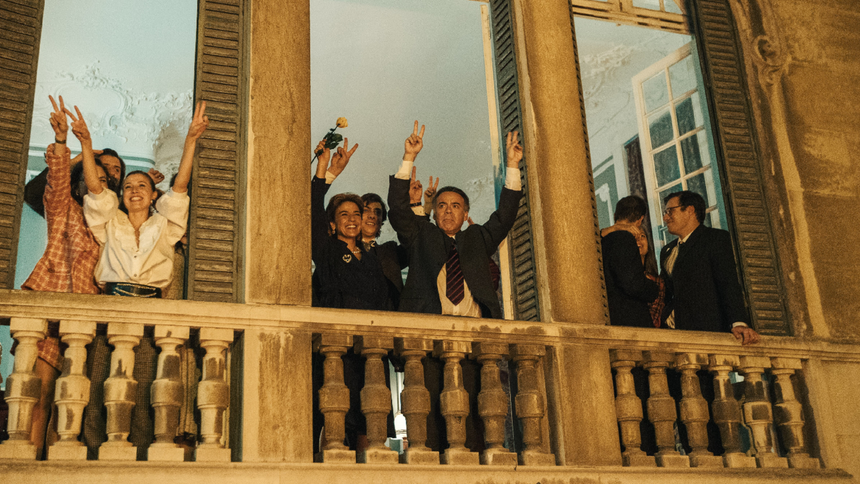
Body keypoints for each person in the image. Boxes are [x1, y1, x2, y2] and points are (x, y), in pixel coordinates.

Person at [18, 95, 109, 459]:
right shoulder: (65, 210)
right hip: (47, 317)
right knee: (37, 399)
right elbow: (55, 182)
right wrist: (61, 141)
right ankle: (27, 468)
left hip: (83, 325)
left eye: (103, 179)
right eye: (89, 176)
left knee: (68, 408)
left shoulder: (110, 229)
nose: (94, 181)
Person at [387, 121, 523, 318]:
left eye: (456, 206)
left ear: (466, 215)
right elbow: (398, 209)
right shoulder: (421, 235)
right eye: (442, 206)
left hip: (475, 328)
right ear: (434, 214)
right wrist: (409, 157)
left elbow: (505, 216)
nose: (448, 211)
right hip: (428, 326)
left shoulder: (478, 239)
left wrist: (512, 165)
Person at [78, 101, 207, 297]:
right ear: (122, 195)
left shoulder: (166, 226)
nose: (134, 191)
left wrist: (190, 140)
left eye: (142, 185)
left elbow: (180, 187)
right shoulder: (108, 223)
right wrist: (86, 144)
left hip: (152, 304)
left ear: (154, 195)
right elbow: (95, 189)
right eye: (128, 186)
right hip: (111, 301)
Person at [659, 191, 760, 345]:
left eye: (670, 211)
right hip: (673, 333)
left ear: (690, 210)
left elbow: (728, 283)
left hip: (706, 332)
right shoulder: (667, 251)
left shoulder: (715, 239)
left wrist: (738, 322)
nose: (665, 218)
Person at [601, 196, 659, 328]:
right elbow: (632, 283)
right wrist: (653, 289)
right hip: (628, 319)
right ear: (640, 219)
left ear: (615, 215)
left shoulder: (603, 239)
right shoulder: (624, 238)